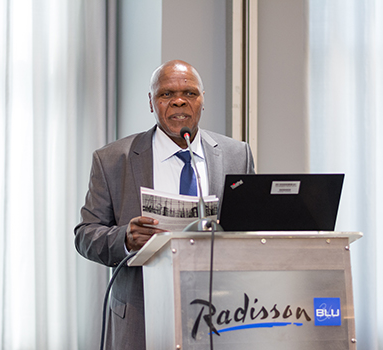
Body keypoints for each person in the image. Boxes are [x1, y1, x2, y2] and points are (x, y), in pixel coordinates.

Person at [74, 60, 255, 349]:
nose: (179, 101)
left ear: (203, 100)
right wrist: (126, 239)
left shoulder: (237, 155)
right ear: (151, 102)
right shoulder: (112, 160)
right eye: (166, 94)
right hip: (140, 315)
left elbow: (253, 227)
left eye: (190, 93)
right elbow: (85, 235)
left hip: (222, 313)